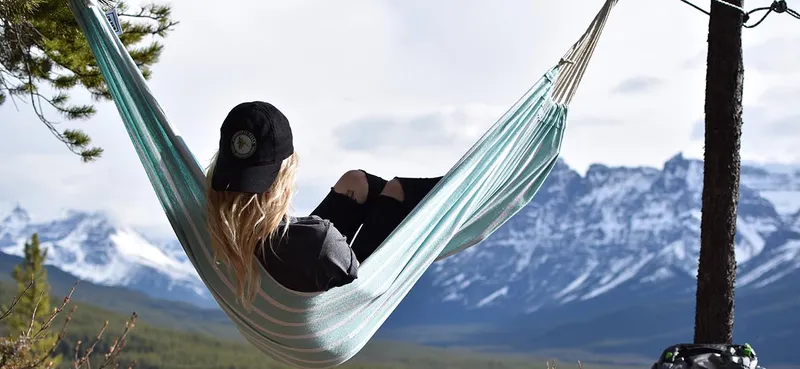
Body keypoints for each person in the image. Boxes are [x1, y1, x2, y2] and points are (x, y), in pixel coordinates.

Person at [204, 101, 442, 304]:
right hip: (339, 298)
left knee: (356, 182)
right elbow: (362, 289)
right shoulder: (318, 241)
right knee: (399, 191)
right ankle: (466, 194)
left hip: (284, 260)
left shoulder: (199, 219)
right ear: (286, 173)